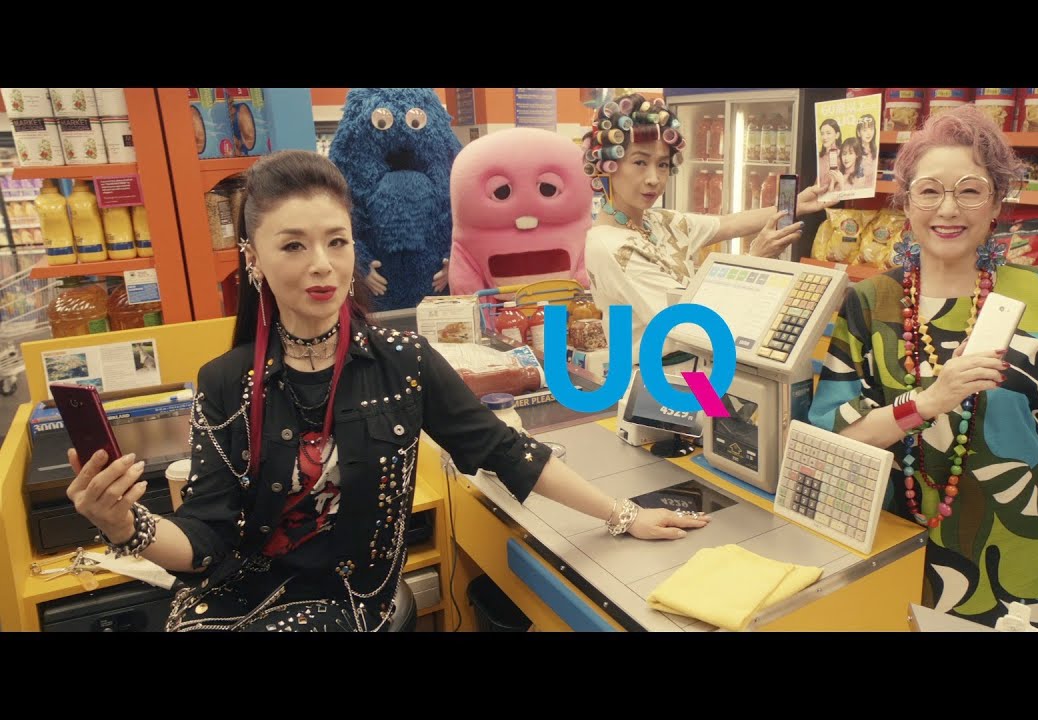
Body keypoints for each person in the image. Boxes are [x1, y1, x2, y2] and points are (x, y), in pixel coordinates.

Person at [63, 150, 710, 632]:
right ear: (253, 258)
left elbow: (505, 451)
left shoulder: (402, 362)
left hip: (344, 606)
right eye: (293, 245)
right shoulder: (226, 382)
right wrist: (125, 524)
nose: (322, 264)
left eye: (336, 241)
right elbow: (203, 543)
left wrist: (623, 515)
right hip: (231, 604)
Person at [809, 105, 1038, 631]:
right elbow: (837, 430)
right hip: (903, 538)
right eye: (929, 191)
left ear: (996, 203)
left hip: (1021, 541)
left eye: (970, 190)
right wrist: (927, 403)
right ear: (907, 203)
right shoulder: (870, 302)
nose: (948, 209)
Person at [583, 93, 835, 364]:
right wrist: (755, 259)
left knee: (739, 394)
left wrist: (796, 204)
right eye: (640, 162)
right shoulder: (612, 247)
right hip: (659, 376)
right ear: (608, 166)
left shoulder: (658, 221)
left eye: (663, 164)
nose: (654, 179)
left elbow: (728, 223)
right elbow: (688, 323)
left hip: (695, 366)